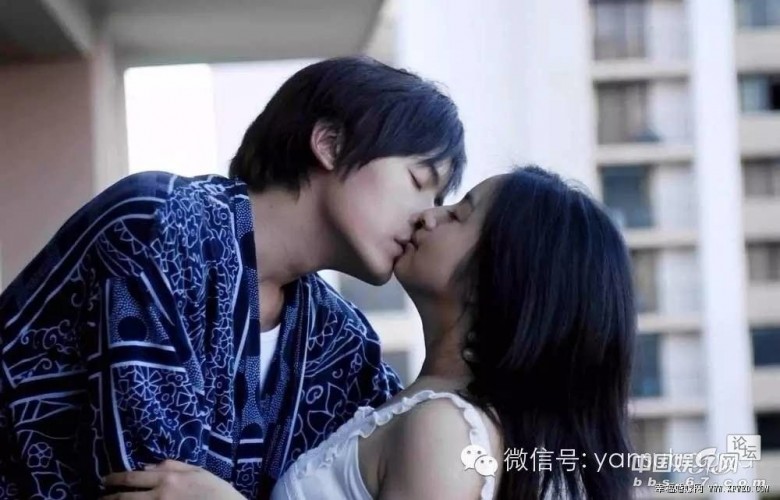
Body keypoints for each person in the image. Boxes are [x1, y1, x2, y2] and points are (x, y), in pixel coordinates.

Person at [0, 56, 466, 499]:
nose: (426, 216)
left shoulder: (342, 341)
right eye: (418, 181)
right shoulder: (160, 222)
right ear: (330, 144)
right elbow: (149, 483)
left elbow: (420, 453)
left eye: (440, 199)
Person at [102, 166, 637, 499]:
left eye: (458, 214)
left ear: (504, 273)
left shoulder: (445, 430)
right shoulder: (405, 400)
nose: (428, 217)